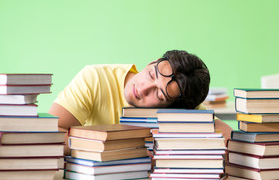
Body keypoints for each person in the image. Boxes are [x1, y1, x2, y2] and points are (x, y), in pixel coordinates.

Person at [48, 50, 232, 155]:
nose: (143, 88)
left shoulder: (182, 106)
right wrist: (116, 148)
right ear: (152, 62)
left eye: (159, 95)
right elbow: (51, 134)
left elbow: (228, 137)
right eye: (152, 75)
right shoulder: (94, 78)